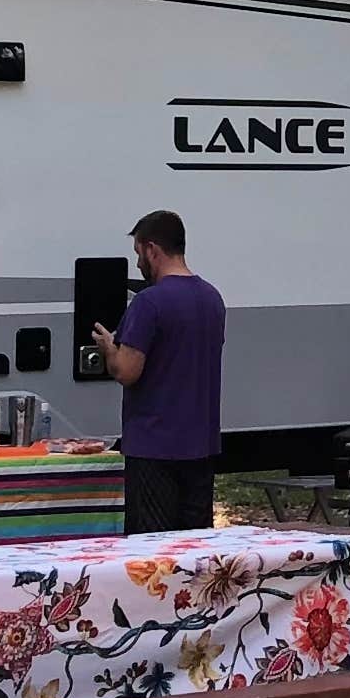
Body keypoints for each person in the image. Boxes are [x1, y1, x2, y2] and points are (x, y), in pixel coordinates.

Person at [94, 209, 224, 533]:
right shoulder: (212, 299)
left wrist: (110, 349)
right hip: (201, 445)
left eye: (139, 253)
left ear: (152, 248)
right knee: (195, 547)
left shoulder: (149, 303)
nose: (139, 264)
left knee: (152, 550)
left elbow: (127, 371)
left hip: (153, 447)